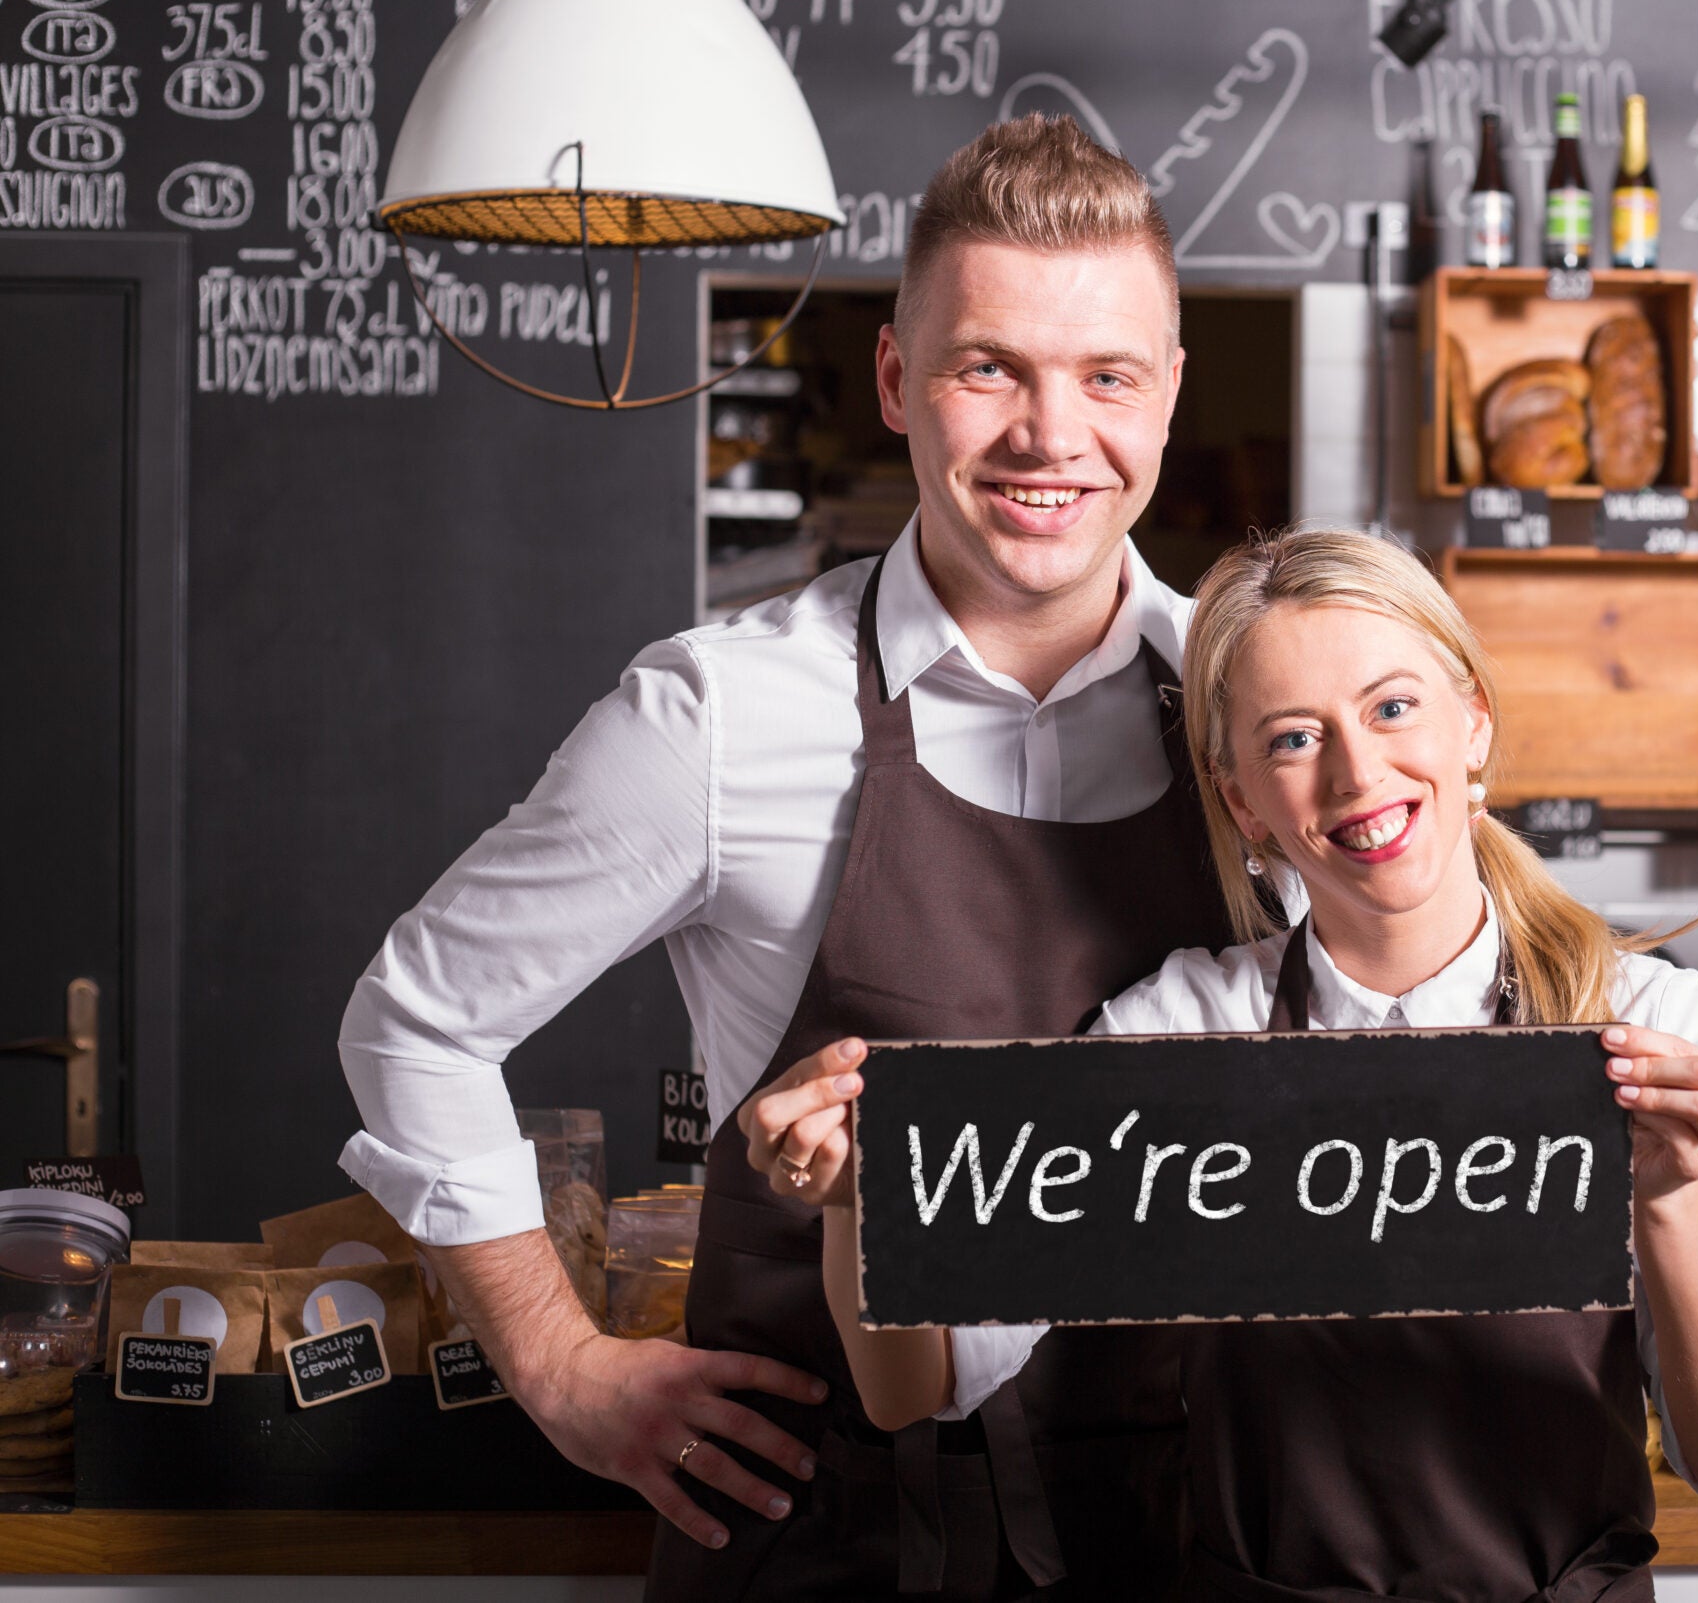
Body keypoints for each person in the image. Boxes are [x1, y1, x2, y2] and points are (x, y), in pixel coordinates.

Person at [336, 115, 1225, 1601]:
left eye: (1107, 375)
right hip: (834, 1539)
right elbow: (415, 1020)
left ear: (1169, 395)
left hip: (1201, 1534)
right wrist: (561, 1365)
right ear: (896, 378)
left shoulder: (1254, 703)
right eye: (987, 366)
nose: (1050, 435)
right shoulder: (723, 712)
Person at [754, 527, 1698, 1601]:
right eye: (1294, 739)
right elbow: (918, 1386)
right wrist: (857, 1201)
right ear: (1245, 802)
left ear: (1473, 724)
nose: (1358, 772)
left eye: (1392, 707)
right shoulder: (1183, 1033)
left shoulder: (1640, 1021)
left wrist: (1668, 1197)